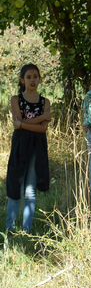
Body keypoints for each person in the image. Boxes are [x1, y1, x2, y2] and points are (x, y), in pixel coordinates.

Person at [5, 64, 51, 233]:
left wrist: (22, 123)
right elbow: (18, 128)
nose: (32, 80)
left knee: (30, 189)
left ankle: (26, 230)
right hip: (20, 145)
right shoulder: (15, 100)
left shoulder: (45, 102)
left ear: (39, 79)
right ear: (22, 80)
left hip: (37, 147)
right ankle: (9, 228)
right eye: (29, 77)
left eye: (35, 77)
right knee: (16, 185)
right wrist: (41, 118)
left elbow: (42, 129)